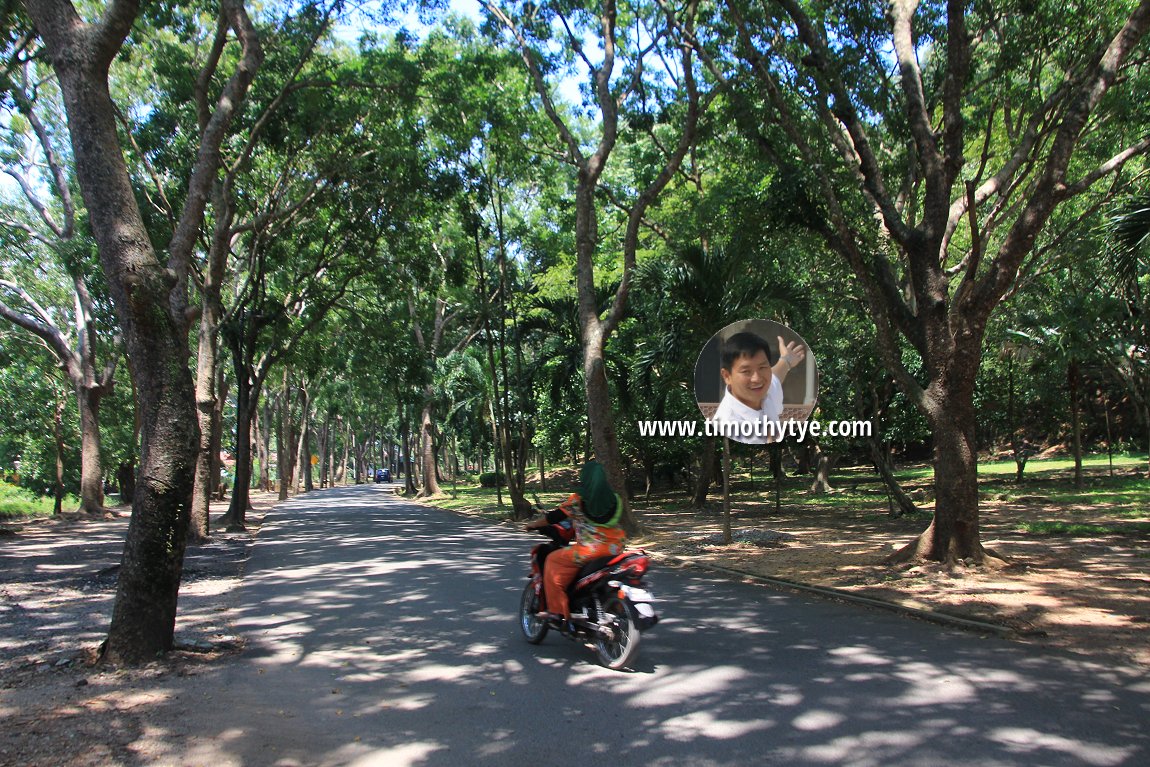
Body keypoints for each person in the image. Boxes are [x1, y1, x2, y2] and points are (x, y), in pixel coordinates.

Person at [524, 461, 625, 625]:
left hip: (589, 551)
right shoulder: (616, 500)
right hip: (615, 549)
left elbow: (553, 517)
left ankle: (556, 611)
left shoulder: (577, 500)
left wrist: (533, 524)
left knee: (552, 560)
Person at [709, 331, 806, 444]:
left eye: (762, 367)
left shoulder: (765, 392)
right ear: (727, 376)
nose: (757, 379)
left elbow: (776, 375)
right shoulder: (728, 427)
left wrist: (786, 360)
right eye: (746, 371)